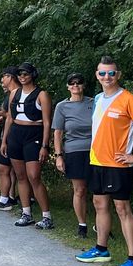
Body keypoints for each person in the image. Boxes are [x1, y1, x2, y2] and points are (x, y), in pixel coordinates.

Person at [76, 57, 133, 266]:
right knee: (99, 204)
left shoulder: (129, 99)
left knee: (123, 209)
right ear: (97, 75)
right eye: (102, 73)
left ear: (118, 75)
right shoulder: (96, 99)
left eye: (111, 73)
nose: (107, 77)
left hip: (119, 164)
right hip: (96, 161)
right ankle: (101, 249)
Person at [1, 61, 54, 229]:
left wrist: (45, 145)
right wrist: (4, 140)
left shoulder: (41, 95)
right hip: (16, 134)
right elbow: (9, 117)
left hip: (34, 135)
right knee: (20, 175)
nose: (22, 77)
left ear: (33, 75)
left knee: (34, 176)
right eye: (20, 74)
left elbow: (47, 122)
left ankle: (46, 216)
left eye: (26, 74)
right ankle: (26, 212)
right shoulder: (14, 93)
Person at [53, 73, 94, 237]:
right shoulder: (62, 106)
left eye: (79, 82)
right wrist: (58, 155)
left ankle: (102, 226)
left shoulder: (94, 102)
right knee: (80, 189)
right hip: (74, 150)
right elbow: (57, 133)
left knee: (100, 190)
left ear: (84, 85)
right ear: (68, 86)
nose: (76, 86)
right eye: (72, 83)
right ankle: (82, 225)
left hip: (95, 150)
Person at [0, 67, 21, 211]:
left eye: (4, 76)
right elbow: (8, 115)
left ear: (11, 77)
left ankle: (21, 201)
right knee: (4, 168)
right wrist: (1, 117)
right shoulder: (9, 95)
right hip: (8, 134)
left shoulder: (19, 94)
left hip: (15, 136)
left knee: (19, 171)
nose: (2, 80)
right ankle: (6, 199)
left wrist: (4, 115)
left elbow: (16, 116)